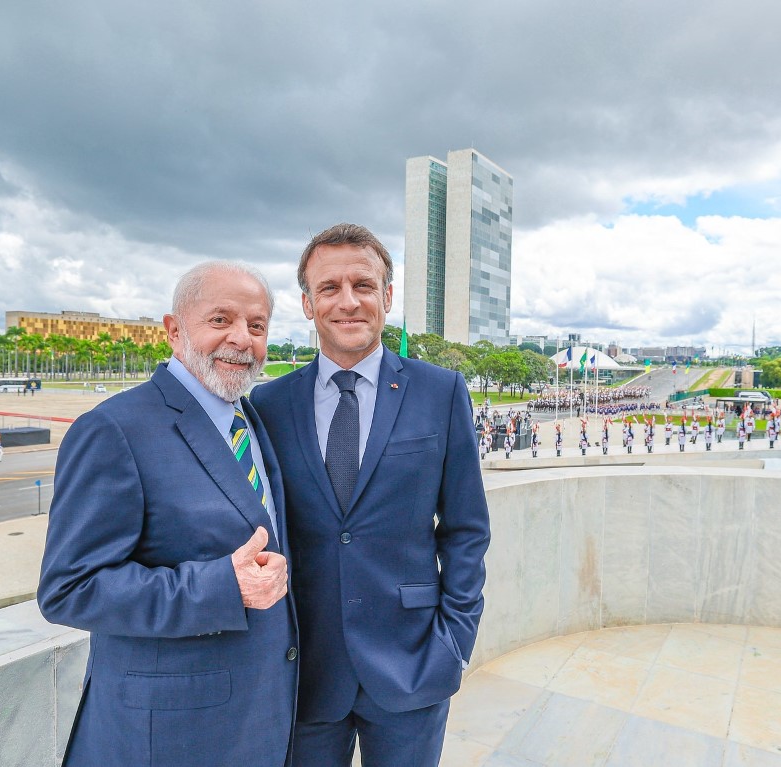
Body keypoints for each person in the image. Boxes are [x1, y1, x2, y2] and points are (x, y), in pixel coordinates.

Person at [37, 261, 297, 767]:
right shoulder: (114, 429)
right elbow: (68, 590)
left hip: (258, 721)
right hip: (167, 736)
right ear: (174, 330)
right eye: (220, 320)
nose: (242, 339)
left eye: (257, 325)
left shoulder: (250, 419)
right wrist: (223, 585)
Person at [250, 223, 491, 767]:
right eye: (329, 288)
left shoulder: (442, 392)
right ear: (308, 305)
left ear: (386, 296)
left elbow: (466, 530)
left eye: (363, 284)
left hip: (412, 664)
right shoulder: (268, 404)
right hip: (305, 671)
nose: (348, 301)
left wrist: (453, 644)